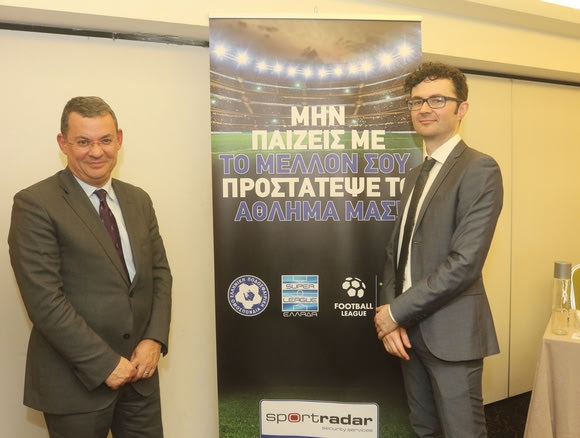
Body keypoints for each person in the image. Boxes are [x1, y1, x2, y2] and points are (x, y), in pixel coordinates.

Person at [8, 96, 172, 438]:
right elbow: (44, 300)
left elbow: (159, 275)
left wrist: (154, 339)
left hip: (140, 379)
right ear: (63, 143)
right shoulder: (35, 203)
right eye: (83, 142)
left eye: (105, 140)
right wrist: (104, 363)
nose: (96, 152)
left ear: (119, 140)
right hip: (74, 384)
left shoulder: (139, 200)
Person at [374, 62, 503, 437]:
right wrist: (392, 317)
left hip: (451, 335)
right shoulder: (414, 175)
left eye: (437, 100)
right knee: (423, 429)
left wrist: (394, 312)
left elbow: (464, 263)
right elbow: (395, 253)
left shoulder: (479, 169)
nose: (425, 108)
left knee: (462, 431)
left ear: (462, 109)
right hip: (407, 334)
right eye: (417, 101)